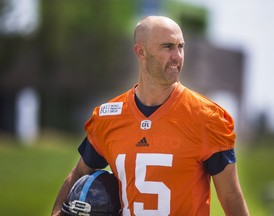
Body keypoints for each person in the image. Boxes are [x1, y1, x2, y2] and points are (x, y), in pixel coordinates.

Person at [52, 15, 249, 216]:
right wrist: (57, 212)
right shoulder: (109, 117)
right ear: (140, 51)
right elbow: (79, 173)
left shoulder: (207, 117)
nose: (177, 56)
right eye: (167, 47)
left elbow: (230, 196)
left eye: (180, 47)